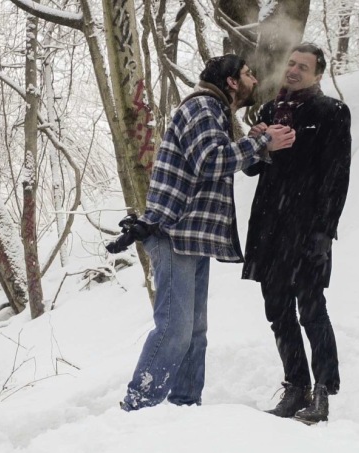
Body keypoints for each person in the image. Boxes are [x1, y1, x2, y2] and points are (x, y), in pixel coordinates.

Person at [111, 54, 296, 411]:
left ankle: (185, 407)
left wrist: (257, 141)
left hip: (192, 238)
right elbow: (210, 161)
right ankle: (137, 408)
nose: (255, 80)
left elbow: (221, 156)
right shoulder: (202, 107)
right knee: (175, 330)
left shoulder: (216, 112)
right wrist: (262, 143)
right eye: (248, 74)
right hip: (174, 233)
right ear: (231, 82)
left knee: (194, 334)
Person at [242, 43, 352, 423]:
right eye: (291, 63)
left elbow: (337, 176)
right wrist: (257, 143)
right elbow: (251, 169)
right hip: (269, 228)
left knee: (311, 309)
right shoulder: (270, 111)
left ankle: (322, 391)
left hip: (307, 228)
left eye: (303, 67)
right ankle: (296, 388)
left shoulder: (331, 112)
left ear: (318, 74)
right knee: (277, 311)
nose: (293, 70)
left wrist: (324, 231)